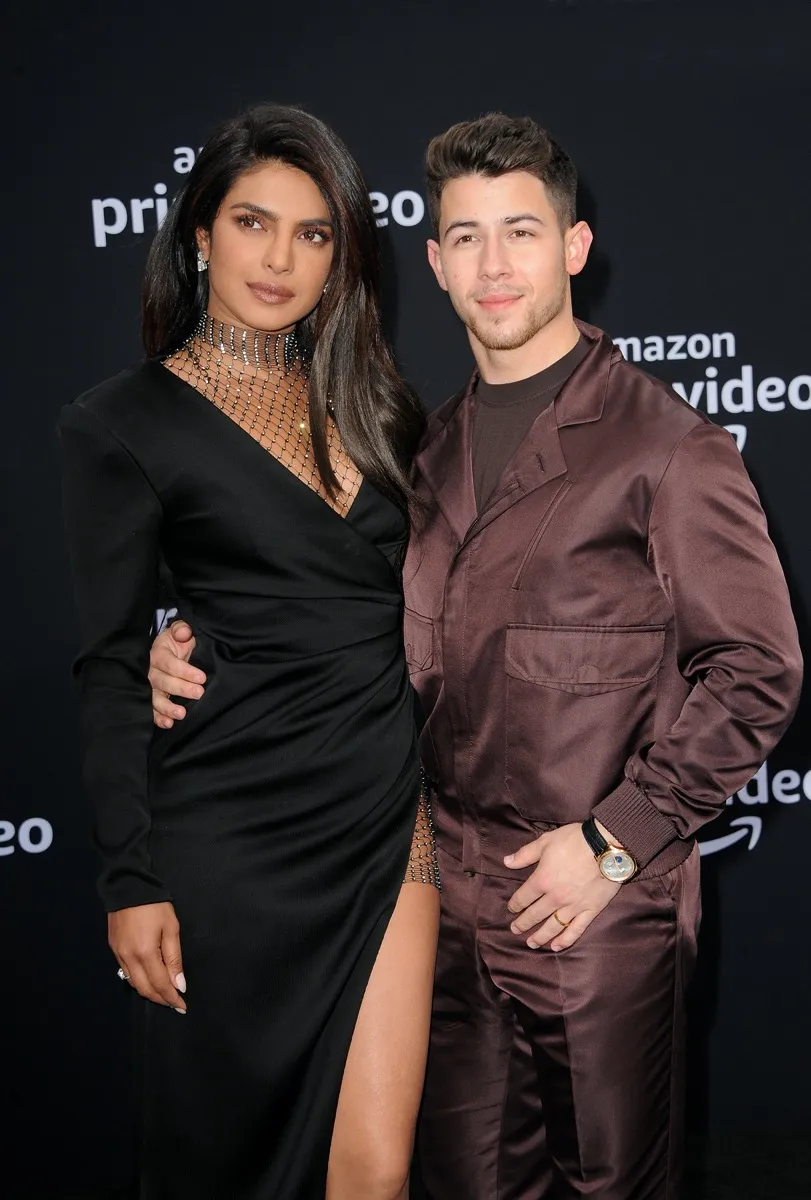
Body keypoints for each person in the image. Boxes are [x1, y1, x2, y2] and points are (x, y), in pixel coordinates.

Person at [149, 114, 803, 1199]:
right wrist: (188, 648)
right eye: (467, 237)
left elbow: (756, 671)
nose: (494, 266)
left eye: (521, 233)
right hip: (439, 898)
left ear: (574, 248)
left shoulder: (666, 449)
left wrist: (613, 843)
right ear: (437, 261)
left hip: (597, 905)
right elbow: (336, 616)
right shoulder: (419, 445)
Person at [59, 103, 439, 1200]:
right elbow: (106, 664)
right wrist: (130, 878)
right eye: (251, 223)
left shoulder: (378, 405)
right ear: (199, 234)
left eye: (312, 233)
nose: (279, 259)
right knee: (223, 1165)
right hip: (229, 833)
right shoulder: (120, 422)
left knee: (376, 1170)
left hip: (386, 813)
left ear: (340, 255)